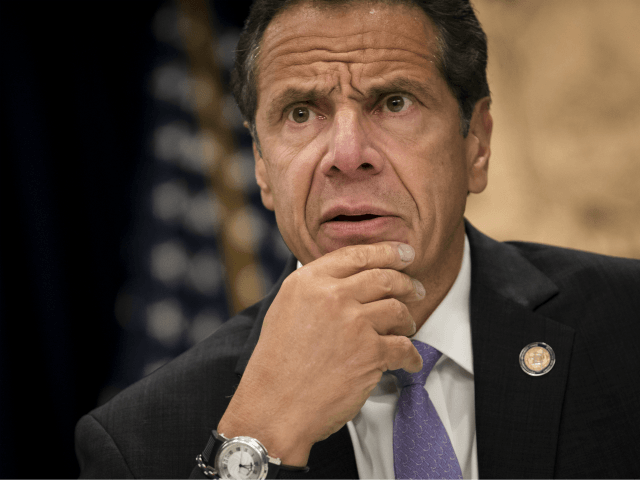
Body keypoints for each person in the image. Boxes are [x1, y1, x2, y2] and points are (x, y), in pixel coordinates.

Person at [75, 0, 640, 479]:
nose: (347, 156)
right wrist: (260, 435)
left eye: (394, 103)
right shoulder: (136, 442)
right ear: (263, 167)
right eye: (301, 113)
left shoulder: (627, 326)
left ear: (477, 145)